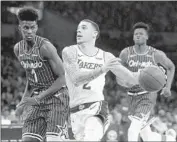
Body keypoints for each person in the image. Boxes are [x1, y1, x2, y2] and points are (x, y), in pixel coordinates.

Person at [62, 19, 138, 141]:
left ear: (95, 34)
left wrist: (146, 78)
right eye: (78, 28)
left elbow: (129, 77)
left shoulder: (106, 56)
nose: (79, 30)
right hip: (75, 111)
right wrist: (102, 69)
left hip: (96, 108)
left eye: (84, 28)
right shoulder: (69, 51)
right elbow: (76, 78)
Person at [14, 7, 69, 142]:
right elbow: (31, 77)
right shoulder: (18, 49)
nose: (29, 31)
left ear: (37, 26)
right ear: (19, 27)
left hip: (57, 98)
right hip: (37, 98)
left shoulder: (45, 47)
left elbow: (63, 78)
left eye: (32, 27)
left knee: (53, 140)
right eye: (25, 27)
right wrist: (22, 103)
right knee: (27, 140)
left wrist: (39, 97)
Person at [119, 22, 175, 141]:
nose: (138, 35)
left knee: (133, 130)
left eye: (141, 33)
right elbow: (118, 75)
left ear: (147, 37)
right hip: (131, 97)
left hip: (147, 97)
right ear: (133, 37)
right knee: (147, 136)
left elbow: (171, 67)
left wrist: (167, 87)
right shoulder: (125, 53)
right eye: (136, 34)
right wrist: (125, 82)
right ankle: (169, 139)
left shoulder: (156, 54)